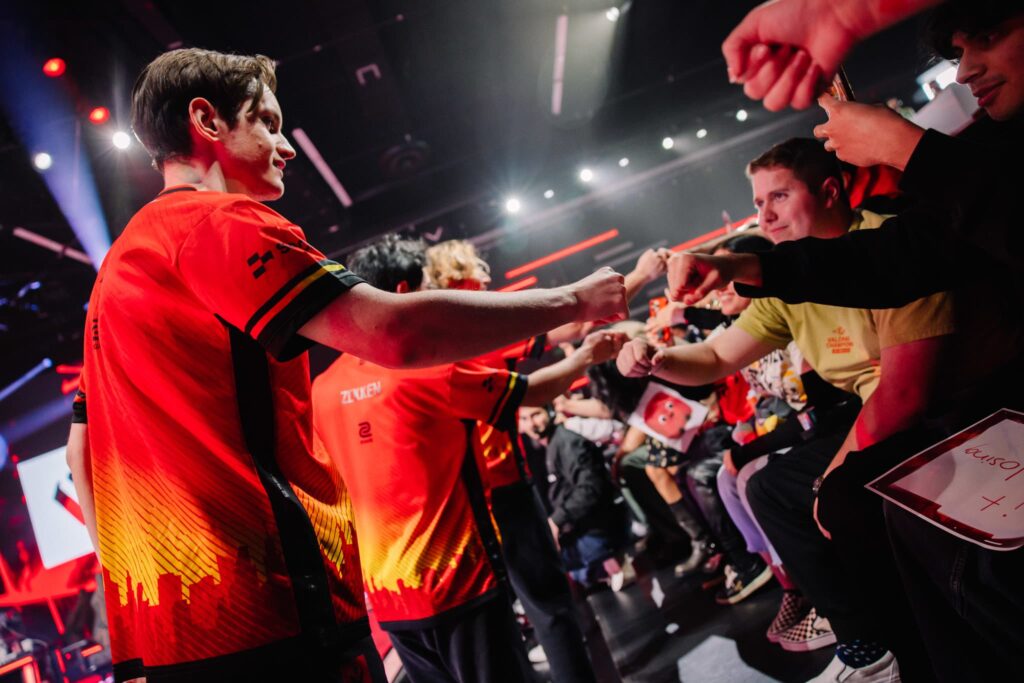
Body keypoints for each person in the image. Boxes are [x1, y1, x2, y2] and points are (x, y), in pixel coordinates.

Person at [64, 47, 627, 683]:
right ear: (207, 120)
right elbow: (395, 333)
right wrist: (573, 300)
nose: (288, 147)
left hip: (174, 629)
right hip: (273, 608)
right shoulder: (218, 222)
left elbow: (79, 454)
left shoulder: (115, 274)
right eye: (268, 123)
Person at [618, 137, 956, 682]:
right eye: (757, 203)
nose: (766, 215)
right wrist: (654, 359)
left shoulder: (884, 244)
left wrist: (833, 477)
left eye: (779, 196)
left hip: (947, 413)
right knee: (768, 487)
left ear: (829, 191)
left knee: (831, 495)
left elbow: (906, 394)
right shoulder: (786, 279)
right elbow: (713, 356)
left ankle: (911, 644)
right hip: (878, 409)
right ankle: (868, 649)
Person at [311, 235, 626, 683]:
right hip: (458, 581)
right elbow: (529, 393)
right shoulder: (427, 366)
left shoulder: (321, 388)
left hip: (389, 594)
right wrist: (587, 359)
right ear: (404, 294)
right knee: (546, 615)